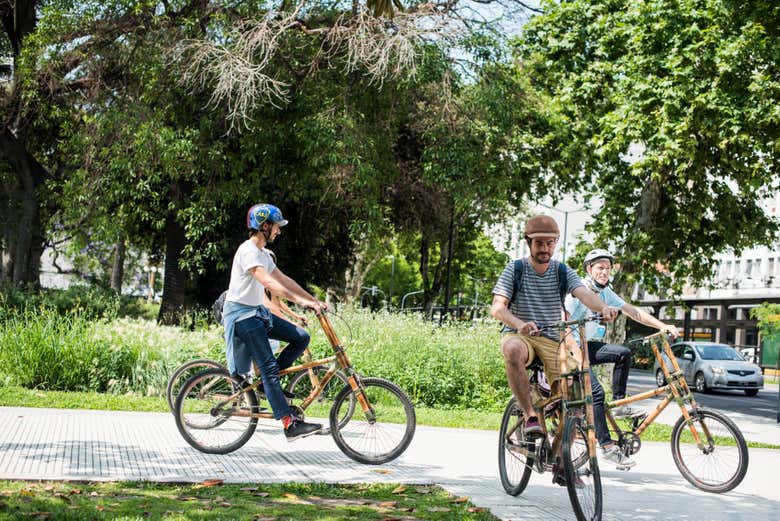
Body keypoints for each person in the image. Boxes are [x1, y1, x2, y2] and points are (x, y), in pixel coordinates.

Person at [490, 214, 619, 485]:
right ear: (528, 243)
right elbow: (498, 307)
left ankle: (561, 461)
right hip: (521, 334)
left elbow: (584, 294)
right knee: (512, 348)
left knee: (577, 393)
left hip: (551, 341)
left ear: (556, 243)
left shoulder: (562, 271)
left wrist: (602, 308)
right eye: (539, 243)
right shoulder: (515, 269)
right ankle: (530, 416)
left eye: (550, 243)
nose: (545, 248)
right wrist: (520, 323)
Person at [222, 203, 327, 442]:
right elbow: (269, 284)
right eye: (277, 227)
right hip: (242, 317)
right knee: (268, 367)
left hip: (257, 314)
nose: (279, 231)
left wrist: (313, 300)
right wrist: (302, 302)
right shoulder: (248, 251)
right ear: (264, 226)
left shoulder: (263, 253)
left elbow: (284, 280)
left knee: (301, 337)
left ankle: (268, 386)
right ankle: (289, 424)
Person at [565, 248, 680, 467]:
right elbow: (565, 324)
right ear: (589, 269)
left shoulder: (605, 292)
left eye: (608, 268)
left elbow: (633, 311)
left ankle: (618, 404)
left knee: (623, 354)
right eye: (600, 268)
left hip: (588, 345)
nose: (604, 272)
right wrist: (577, 356)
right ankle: (607, 446)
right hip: (570, 347)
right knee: (595, 392)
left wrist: (663, 325)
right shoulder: (579, 290)